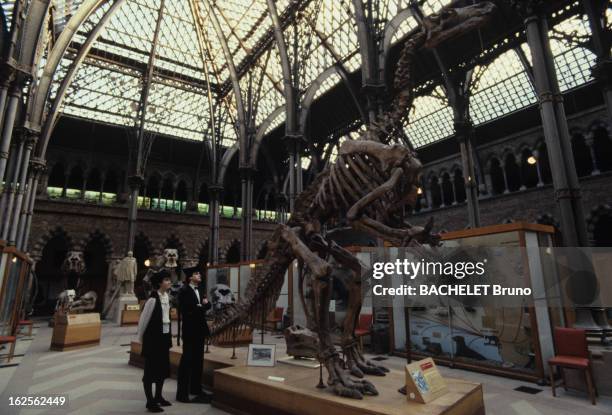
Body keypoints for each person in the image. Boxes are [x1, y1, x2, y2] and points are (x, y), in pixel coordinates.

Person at [137, 270, 173, 413]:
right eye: (166, 280)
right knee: (150, 370)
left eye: (169, 280)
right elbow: (143, 320)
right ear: (159, 283)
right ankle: (150, 401)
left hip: (164, 338)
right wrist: (140, 338)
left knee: (162, 369)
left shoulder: (167, 297)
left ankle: (158, 396)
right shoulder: (152, 299)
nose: (169, 282)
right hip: (153, 340)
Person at [176, 266, 211, 403]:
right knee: (187, 361)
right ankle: (182, 393)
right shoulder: (184, 290)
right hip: (190, 331)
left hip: (199, 330)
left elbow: (207, 306)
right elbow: (186, 309)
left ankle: (196, 389)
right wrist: (201, 307)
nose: (200, 275)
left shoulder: (200, 289)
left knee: (198, 361)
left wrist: (202, 307)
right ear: (190, 277)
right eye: (197, 274)